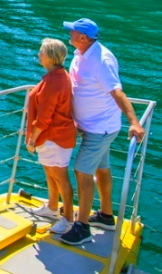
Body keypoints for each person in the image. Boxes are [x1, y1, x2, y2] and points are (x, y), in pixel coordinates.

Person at [59, 18, 145, 246]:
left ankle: (82, 227)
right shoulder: (80, 54)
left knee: (81, 171)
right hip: (90, 126)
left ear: (83, 38)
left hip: (100, 128)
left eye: (73, 32)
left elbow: (117, 91)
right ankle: (106, 216)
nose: (69, 34)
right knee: (102, 168)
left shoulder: (101, 60)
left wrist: (134, 122)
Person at [25, 38, 76, 236]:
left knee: (61, 177)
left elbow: (44, 117)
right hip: (54, 137)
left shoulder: (54, 81)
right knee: (50, 173)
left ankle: (68, 219)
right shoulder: (58, 76)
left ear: (51, 57)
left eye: (42, 52)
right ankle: (53, 207)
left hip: (54, 137)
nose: (39, 55)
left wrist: (31, 140)